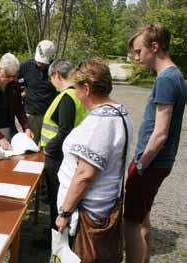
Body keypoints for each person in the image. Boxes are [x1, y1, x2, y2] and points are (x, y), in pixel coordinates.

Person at [55, 59, 133, 262]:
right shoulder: (120, 111)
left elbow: (84, 175)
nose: (76, 94)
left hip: (87, 213)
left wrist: (64, 213)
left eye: (77, 88)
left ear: (87, 88)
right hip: (103, 205)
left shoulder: (100, 123)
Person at [124, 24, 187, 263]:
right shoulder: (176, 76)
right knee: (142, 218)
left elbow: (160, 134)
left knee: (130, 222)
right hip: (159, 163)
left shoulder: (166, 80)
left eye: (139, 51)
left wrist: (139, 164)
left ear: (155, 46)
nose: (136, 57)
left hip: (152, 163)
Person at [40, 59, 86, 234]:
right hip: (68, 155)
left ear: (57, 75)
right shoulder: (78, 94)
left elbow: (64, 130)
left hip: (58, 157)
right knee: (62, 196)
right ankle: (56, 229)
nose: (51, 84)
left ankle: (56, 236)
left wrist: (49, 149)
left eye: (51, 79)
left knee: (57, 197)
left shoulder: (67, 97)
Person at [18, 40, 57, 144]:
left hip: (50, 115)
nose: (40, 64)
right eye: (39, 62)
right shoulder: (25, 67)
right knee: (30, 146)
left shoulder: (55, 69)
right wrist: (21, 93)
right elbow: (16, 84)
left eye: (43, 63)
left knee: (48, 147)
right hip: (32, 115)